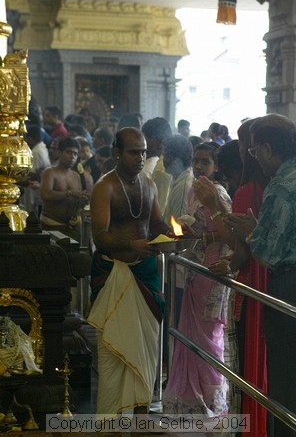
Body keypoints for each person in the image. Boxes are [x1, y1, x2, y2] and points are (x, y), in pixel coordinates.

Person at [87, 127, 170, 417]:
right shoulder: (105, 187)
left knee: (145, 357)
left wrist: (173, 234)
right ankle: (110, 425)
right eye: (134, 152)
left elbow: (157, 223)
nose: (140, 157)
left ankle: (140, 423)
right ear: (117, 153)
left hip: (145, 275)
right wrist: (131, 244)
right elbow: (101, 236)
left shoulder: (149, 184)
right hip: (115, 274)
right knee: (112, 358)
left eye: (144, 151)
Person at [195, 119, 269, 436]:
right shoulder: (274, 185)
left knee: (251, 360)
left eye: (246, 146)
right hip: (270, 280)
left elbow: (238, 249)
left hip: (253, 280)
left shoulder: (247, 191)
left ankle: (251, 425)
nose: (244, 151)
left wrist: (212, 206)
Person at [225, 113, 296, 437]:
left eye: (254, 152)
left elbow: (268, 255)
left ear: (268, 149)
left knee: (284, 377)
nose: (253, 158)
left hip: (288, 285)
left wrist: (252, 231)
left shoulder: (280, 186)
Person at [163, 142, 231, 417]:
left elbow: (230, 234)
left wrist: (200, 236)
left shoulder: (219, 194)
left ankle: (212, 397)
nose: (200, 166)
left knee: (209, 337)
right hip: (194, 271)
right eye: (196, 161)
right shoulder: (193, 191)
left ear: (216, 167)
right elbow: (193, 226)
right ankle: (188, 399)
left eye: (206, 162)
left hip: (213, 272)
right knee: (189, 336)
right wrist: (183, 231)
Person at [40, 137, 91, 240]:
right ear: (59, 152)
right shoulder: (50, 172)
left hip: (72, 225)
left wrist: (83, 201)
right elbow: (45, 195)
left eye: (75, 154)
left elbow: (77, 202)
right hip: (52, 224)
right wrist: (69, 193)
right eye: (69, 152)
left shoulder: (76, 176)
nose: (72, 156)